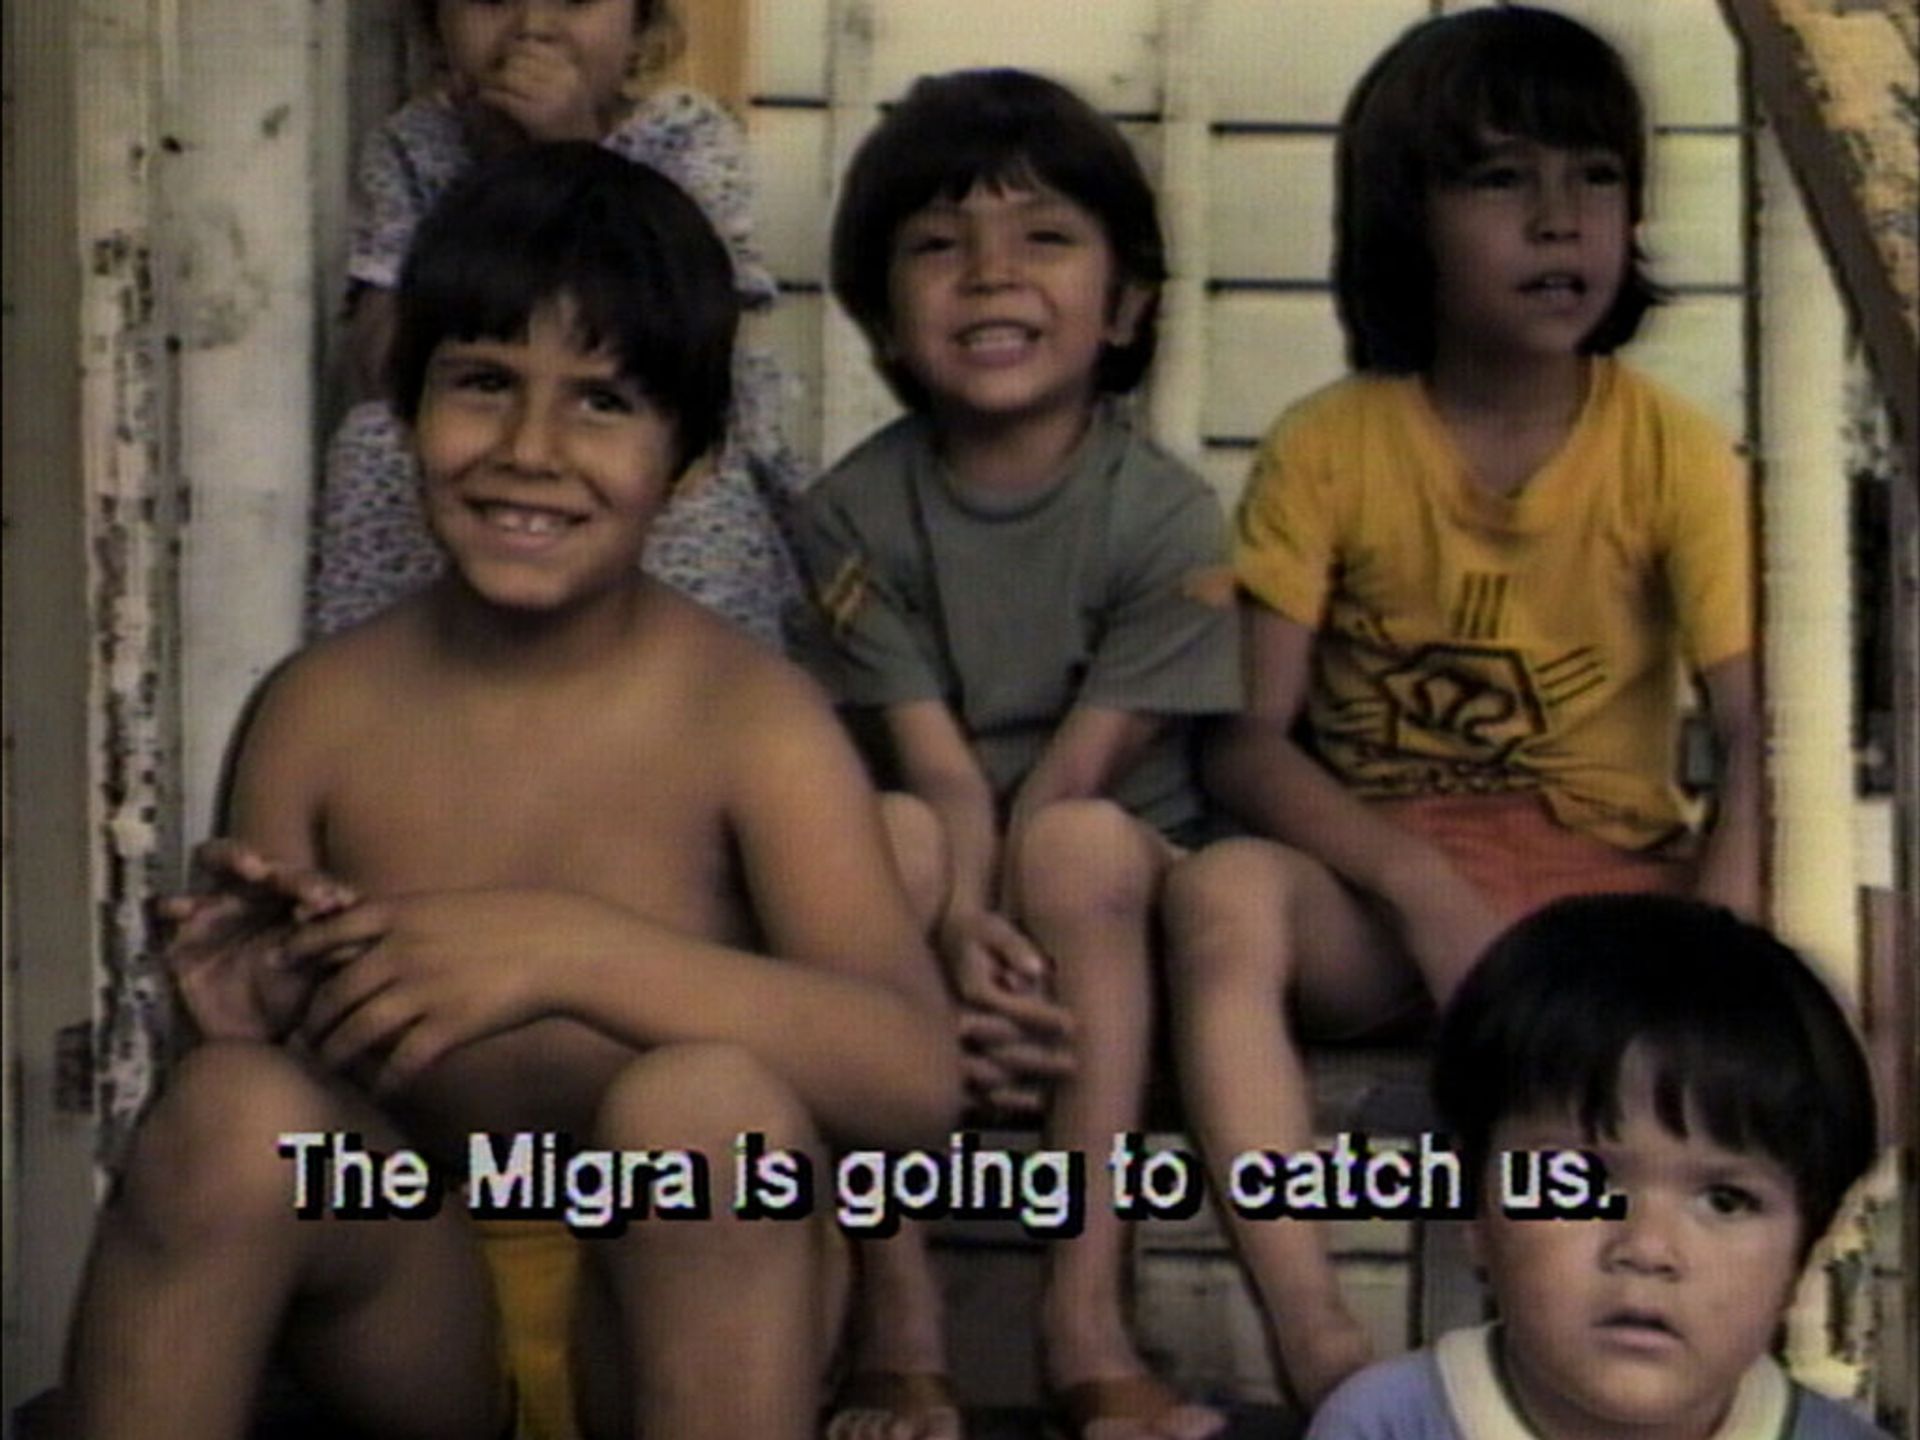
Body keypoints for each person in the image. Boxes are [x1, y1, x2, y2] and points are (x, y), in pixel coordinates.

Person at [62, 143, 960, 1440]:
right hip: (421, 1295)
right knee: (227, 1115)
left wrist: (571, 952)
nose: (531, 451)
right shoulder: (321, 710)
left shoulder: (750, 718)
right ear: (408, 405)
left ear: (690, 459)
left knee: (704, 1112)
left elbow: (913, 1082)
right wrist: (247, 1014)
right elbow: (275, 1076)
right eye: (483, 383)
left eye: (602, 402)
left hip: (681, 1308)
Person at [1162, 6, 1761, 1410]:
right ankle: (1323, 1348)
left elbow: (1756, 736)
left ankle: (1731, 1342)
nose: (1561, 219)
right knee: (1222, 896)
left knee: (1888, 951)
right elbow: (1244, 744)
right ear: (1406, 219)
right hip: (1389, 892)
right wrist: (1415, 881)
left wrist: (1714, 954)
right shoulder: (1333, 444)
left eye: (1595, 177)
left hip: (1607, 887)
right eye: (1502, 179)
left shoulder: (1672, 449)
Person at [797, 68, 1239, 1440]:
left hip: (1114, 905)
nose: (992, 272)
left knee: (1074, 844)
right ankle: (899, 1321)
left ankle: (1084, 1316)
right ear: (880, 314)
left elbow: (1073, 777)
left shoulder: (1167, 519)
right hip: (935, 892)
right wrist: (957, 933)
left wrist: (1001, 947)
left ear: (1127, 305)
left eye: (1045, 236)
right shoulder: (850, 513)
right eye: (940, 244)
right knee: (891, 835)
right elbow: (935, 769)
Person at [310, 0, 805, 646]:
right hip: (476, 429)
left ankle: (692, 684)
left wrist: (571, 158)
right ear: (435, 26)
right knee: (372, 447)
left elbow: (683, 348)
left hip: (647, 431)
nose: (532, 27)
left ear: (640, 30)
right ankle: (388, 674)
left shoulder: (687, 137)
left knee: (696, 487)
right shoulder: (416, 145)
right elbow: (382, 364)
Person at [1311, 893, 1888, 1438]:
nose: (1647, 1249)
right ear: (1474, 1209)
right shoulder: (1388, 1424)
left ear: (1803, 1253)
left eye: (1725, 1200)